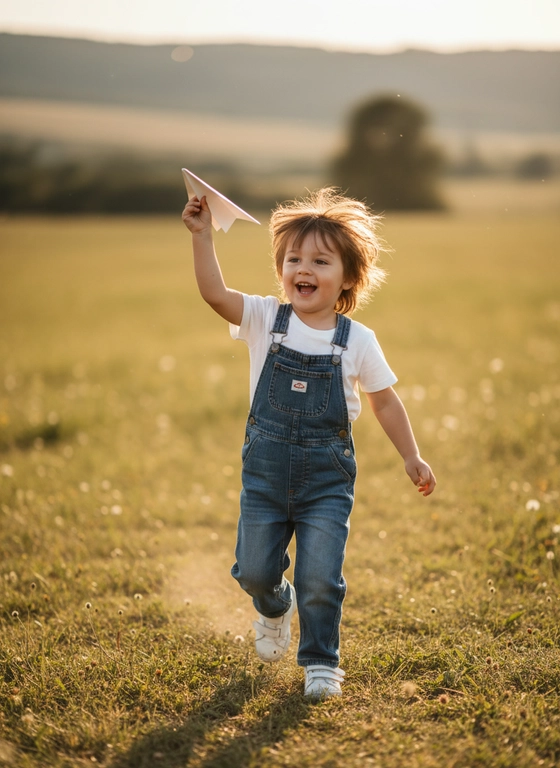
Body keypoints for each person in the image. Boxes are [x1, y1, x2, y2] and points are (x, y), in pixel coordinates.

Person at [182, 188, 436, 699]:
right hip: (266, 478)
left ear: (347, 278)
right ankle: (275, 605)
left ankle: (322, 662)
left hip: (326, 481)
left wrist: (411, 454)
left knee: (321, 577)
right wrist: (203, 236)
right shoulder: (262, 320)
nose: (305, 268)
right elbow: (215, 294)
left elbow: (385, 402)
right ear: (281, 269)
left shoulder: (357, 340)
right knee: (254, 570)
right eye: (294, 258)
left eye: (321, 260)